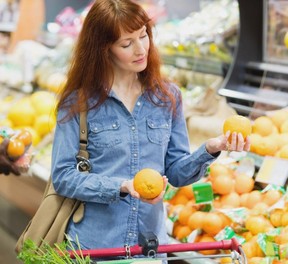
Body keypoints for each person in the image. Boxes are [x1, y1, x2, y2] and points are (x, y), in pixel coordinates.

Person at [51, 0, 250, 258]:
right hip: (96, 248)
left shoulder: (167, 97)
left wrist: (211, 149)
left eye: (144, 36)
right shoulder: (79, 103)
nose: (140, 49)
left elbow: (176, 173)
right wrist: (122, 186)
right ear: (103, 49)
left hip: (150, 249)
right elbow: (64, 176)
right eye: (126, 43)